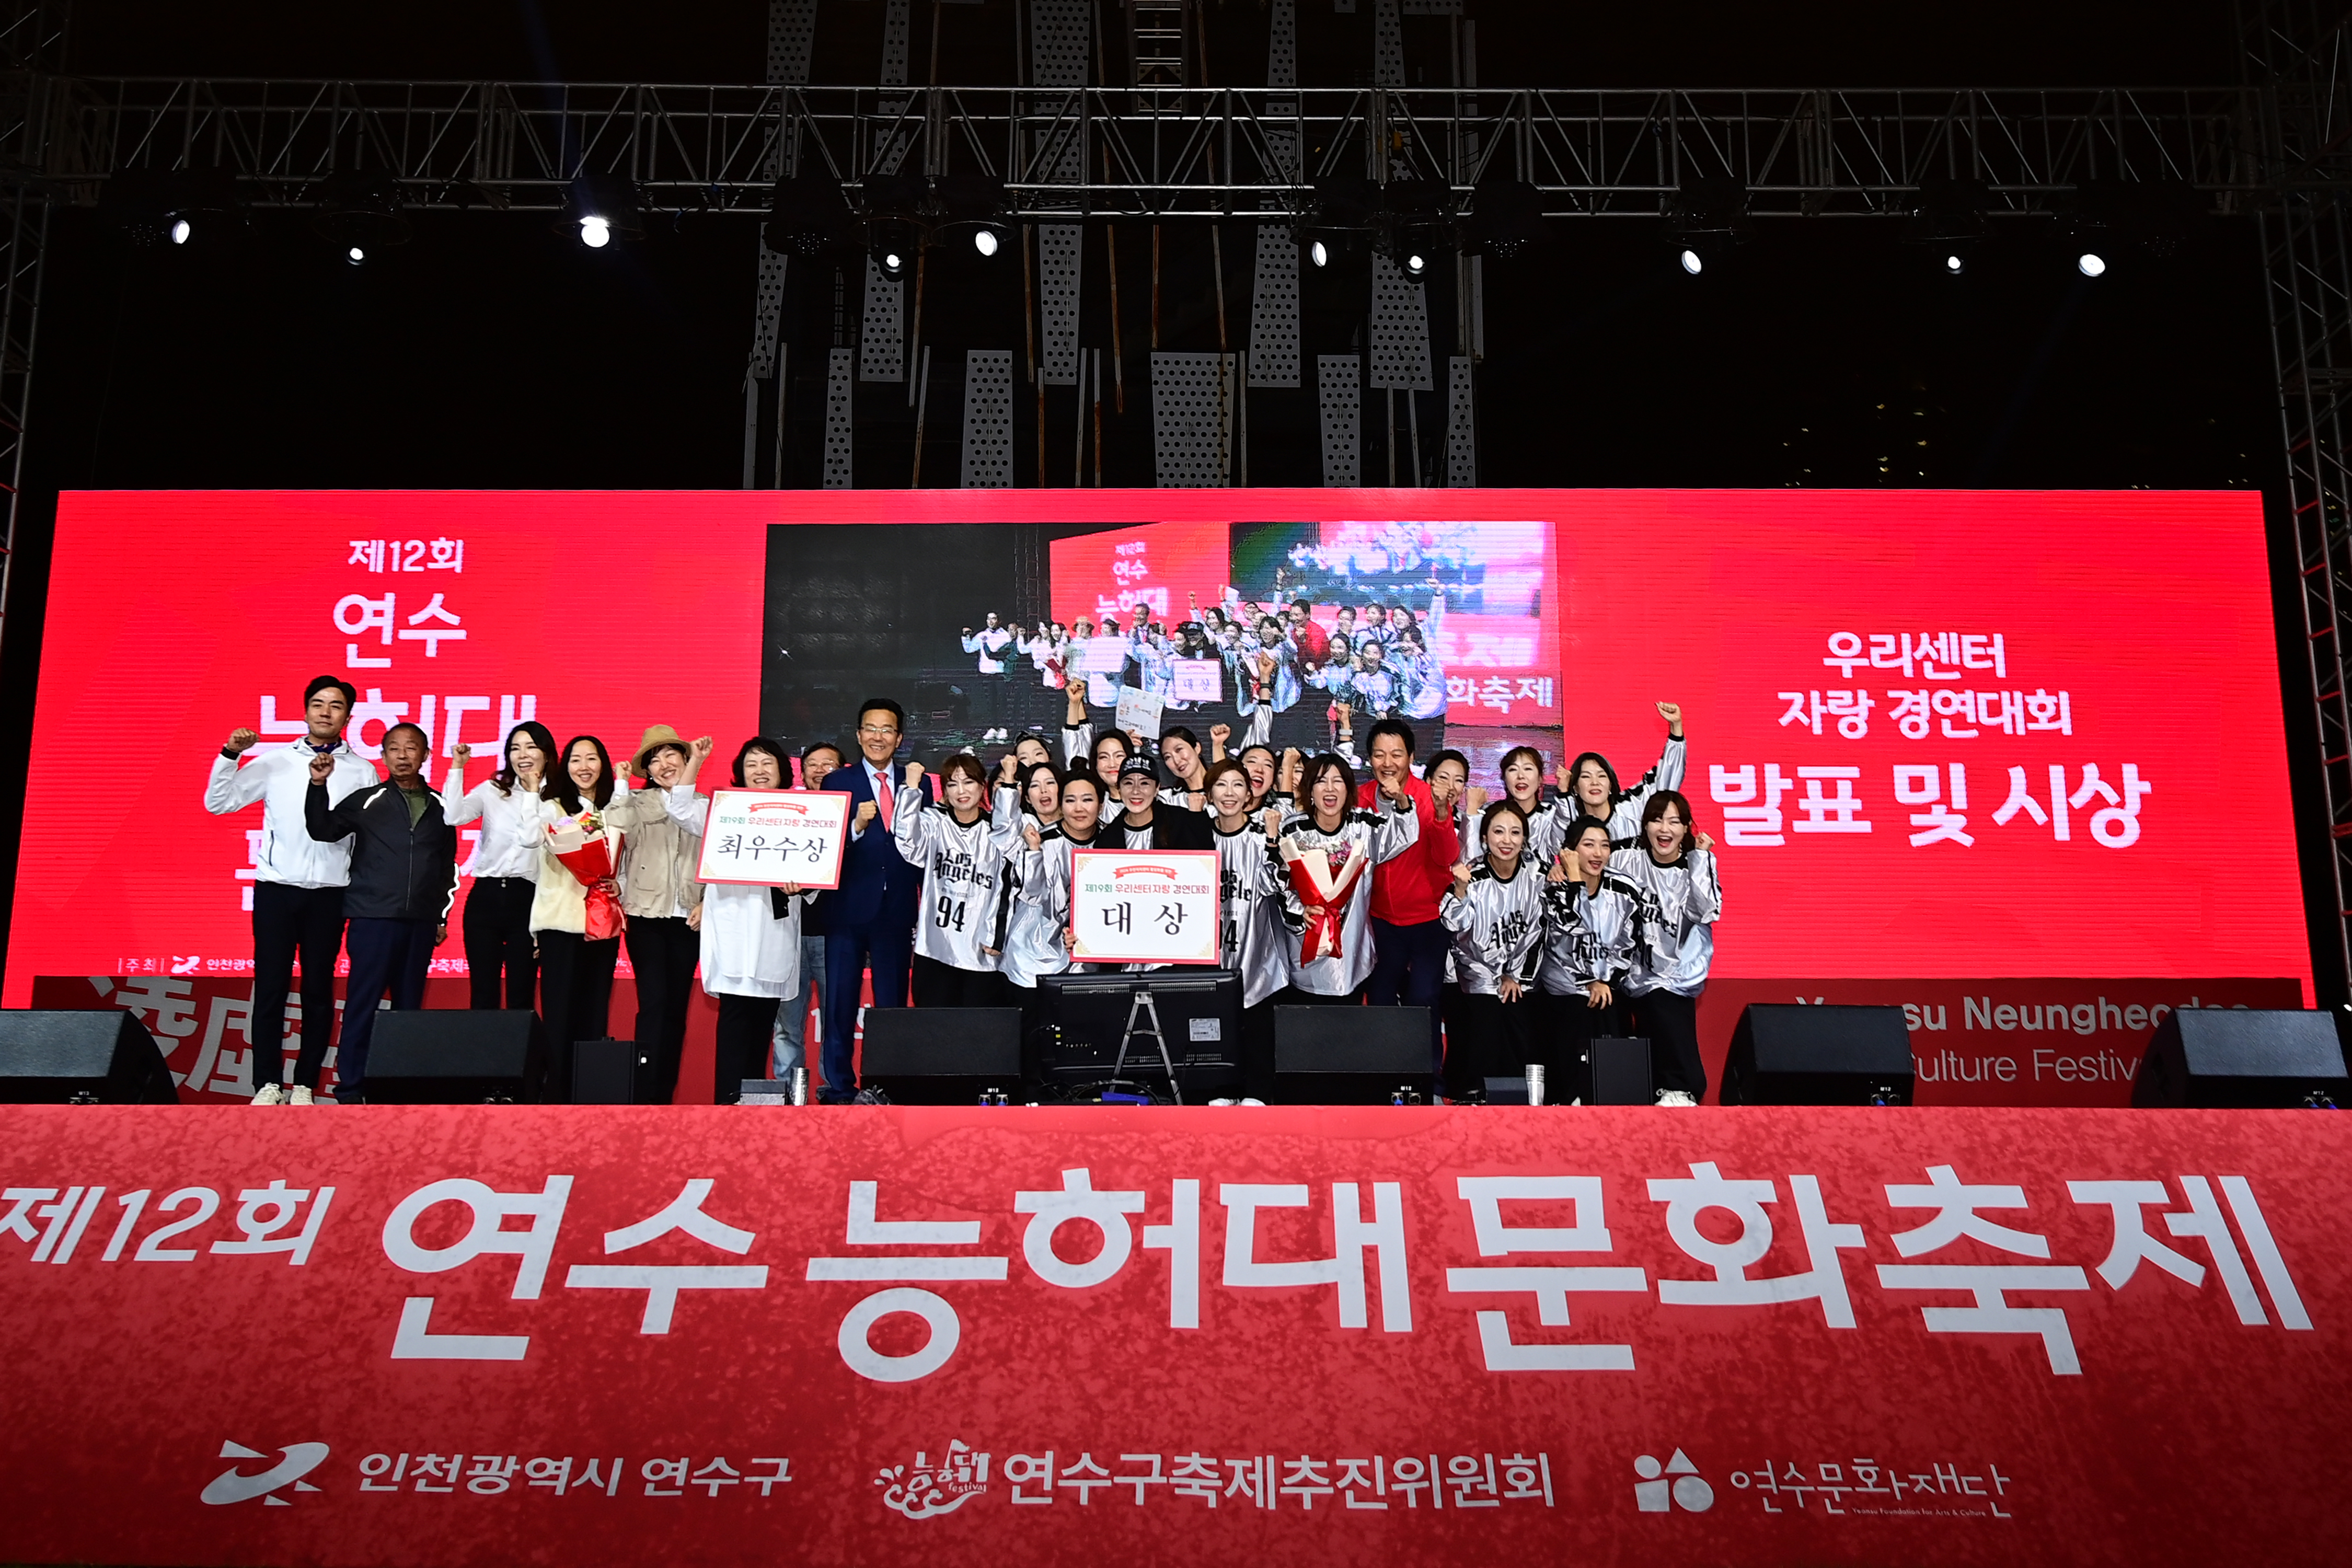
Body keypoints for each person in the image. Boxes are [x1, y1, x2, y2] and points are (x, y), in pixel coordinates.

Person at [207, 675, 377, 1104]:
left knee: (318, 991)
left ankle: (305, 1085)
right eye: (318, 704)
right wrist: (231, 754)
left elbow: (371, 839)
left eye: (335, 706)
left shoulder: (363, 770)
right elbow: (219, 802)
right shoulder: (275, 761)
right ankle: (267, 1083)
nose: (325, 712)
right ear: (304, 711)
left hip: (330, 894)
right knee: (270, 988)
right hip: (276, 891)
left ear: (348, 716)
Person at [301, 722, 456, 1104]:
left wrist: (440, 917)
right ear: (383, 756)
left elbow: (446, 867)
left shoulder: (442, 806)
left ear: (426, 755)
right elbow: (322, 830)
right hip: (372, 918)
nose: (403, 755)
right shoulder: (366, 800)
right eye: (394, 749)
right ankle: (351, 1088)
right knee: (362, 1004)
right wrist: (317, 786)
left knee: (407, 1012)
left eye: (411, 748)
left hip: (420, 922)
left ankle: (399, 1088)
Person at [667, 736, 814, 1102]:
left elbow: (818, 872)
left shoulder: (804, 814)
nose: (760, 771)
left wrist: (803, 886)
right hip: (733, 933)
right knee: (733, 1025)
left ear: (782, 770)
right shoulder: (723, 811)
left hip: (774, 935)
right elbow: (680, 809)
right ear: (740, 773)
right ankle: (726, 1108)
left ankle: (750, 1111)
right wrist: (696, 761)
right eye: (751, 765)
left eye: (767, 763)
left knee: (763, 1027)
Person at [820, 699, 924, 1103]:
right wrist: (856, 827)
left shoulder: (919, 783)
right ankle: (840, 1087)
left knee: (891, 1007)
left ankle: (887, 1084)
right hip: (847, 909)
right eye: (871, 729)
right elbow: (826, 846)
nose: (879, 737)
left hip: (897, 910)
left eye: (888, 730)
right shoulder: (837, 783)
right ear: (859, 735)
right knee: (840, 1003)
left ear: (899, 738)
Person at [1352, 719, 1462, 1079]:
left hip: (1428, 920)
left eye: (1397, 754)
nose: (1388, 762)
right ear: (1369, 759)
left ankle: (1427, 1077)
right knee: (1381, 999)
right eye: (1380, 754)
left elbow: (1447, 859)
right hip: (1381, 922)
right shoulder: (1361, 798)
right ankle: (1384, 1074)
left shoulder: (1429, 796)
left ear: (1411, 757)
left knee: (1423, 999)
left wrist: (1444, 818)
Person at [605, 725, 704, 1105]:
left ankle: (665, 1093)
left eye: (670, 756)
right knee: (654, 1004)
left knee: (676, 1008)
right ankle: (643, 1092)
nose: (664, 764)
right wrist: (620, 782)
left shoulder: (705, 804)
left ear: (684, 759)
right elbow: (615, 823)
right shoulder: (635, 801)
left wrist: (705, 903)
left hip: (688, 919)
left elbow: (716, 860)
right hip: (645, 917)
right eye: (655, 759)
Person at [1274, 754, 1420, 1002]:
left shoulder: (1364, 825)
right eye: (1321, 781)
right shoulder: (1292, 830)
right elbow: (1277, 881)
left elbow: (1403, 835)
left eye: (1338, 781)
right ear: (1309, 789)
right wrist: (1301, 911)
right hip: (1306, 945)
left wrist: (1401, 800)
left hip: (1352, 950)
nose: (1330, 789)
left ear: (1348, 789)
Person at [531, 734, 626, 1102]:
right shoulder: (551, 806)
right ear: (564, 766)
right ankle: (553, 1096)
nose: (584, 767)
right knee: (558, 1013)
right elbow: (531, 840)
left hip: (602, 925)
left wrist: (619, 885)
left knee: (594, 1010)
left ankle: (588, 1096)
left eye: (591, 759)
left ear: (603, 764)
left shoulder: (615, 808)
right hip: (562, 922)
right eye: (575, 760)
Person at [1611, 790, 1721, 1106]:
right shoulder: (1626, 860)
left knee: (1663, 1000)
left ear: (1687, 828)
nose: (1665, 829)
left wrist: (1700, 859)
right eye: (1657, 820)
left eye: (1674, 822)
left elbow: (1706, 911)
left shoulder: (1696, 864)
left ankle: (1680, 1089)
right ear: (1645, 826)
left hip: (1675, 971)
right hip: (1629, 967)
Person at [441, 720, 556, 1015]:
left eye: (531, 747)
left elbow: (531, 841)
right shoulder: (495, 789)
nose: (523, 755)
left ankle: (521, 1062)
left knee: (521, 994)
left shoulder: (558, 798)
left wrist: (532, 792)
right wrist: (457, 767)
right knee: (483, 994)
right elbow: (454, 816)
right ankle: (481, 1061)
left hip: (529, 899)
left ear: (547, 753)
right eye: (515, 748)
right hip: (486, 896)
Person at [1440, 801, 1546, 1102]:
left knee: (1517, 1014)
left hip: (1520, 972)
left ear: (1524, 839)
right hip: (1476, 971)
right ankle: (1474, 1093)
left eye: (1515, 833)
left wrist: (1514, 975)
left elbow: (1539, 934)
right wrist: (1459, 891)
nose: (1507, 840)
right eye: (1498, 832)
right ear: (1484, 837)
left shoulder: (1536, 878)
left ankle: (1519, 1097)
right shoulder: (1471, 876)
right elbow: (1454, 927)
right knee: (1485, 1016)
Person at [895, 753, 1013, 1006]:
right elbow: (908, 843)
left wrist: (997, 936)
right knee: (935, 1032)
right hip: (935, 950)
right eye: (952, 784)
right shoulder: (934, 823)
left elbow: (1010, 883)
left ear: (983, 786)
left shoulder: (997, 832)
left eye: (969, 782)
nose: (961, 791)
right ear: (945, 791)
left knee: (977, 1033)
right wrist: (911, 789)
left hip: (980, 951)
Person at [1539, 815, 1638, 1105]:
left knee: (1610, 1006)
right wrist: (1574, 881)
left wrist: (1605, 981)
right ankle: (1570, 1098)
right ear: (1570, 851)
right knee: (1576, 1007)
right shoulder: (1555, 889)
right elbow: (1566, 933)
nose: (1598, 854)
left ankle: (1610, 1099)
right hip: (1565, 988)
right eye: (1589, 845)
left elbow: (1629, 945)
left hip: (1606, 985)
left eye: (1604, 846)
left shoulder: (1625, 889)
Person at [1205, 759, 1286, 1102]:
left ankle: (1257, 1093)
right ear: (1209, 793)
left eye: (1238, 785)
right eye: (1221, 785)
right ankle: (1222, 1090)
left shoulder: (1260, 837)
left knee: (1257, 1031)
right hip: (1209, 954)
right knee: (1211, 1029)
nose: (1229, 793)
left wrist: (1272, 843)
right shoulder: (1197, 835)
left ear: (1250, 793)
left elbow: (1278, 885)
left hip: (1257, 953)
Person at [774, 739, 846, 1080]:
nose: (819, 770)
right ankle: (789, 1097)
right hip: (787, 936)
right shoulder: (785, 815)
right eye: (812, 764)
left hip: (835, 938)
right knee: (787, 1027)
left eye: (828, 764)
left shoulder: (855, 818)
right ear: (801, 773)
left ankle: (834, 1093)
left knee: (836, 1023)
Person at [1565, 702, 1688, 847]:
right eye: (1586, 776)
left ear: (1611, 785)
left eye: (1602, 776)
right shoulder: (1568, 821)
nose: (1595, 782)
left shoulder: (1633, 806)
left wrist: (1676, 728)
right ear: (1575, 788)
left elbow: (1665, 782)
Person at [1106, 751, 1215, 850]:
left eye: (1145, 783)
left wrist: (1197, 818)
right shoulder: (1108, 838)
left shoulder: (1182, 823)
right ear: (1119, 789)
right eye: (1128, 783)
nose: (1136, 791)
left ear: (1157, 788)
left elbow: (1205, 863)